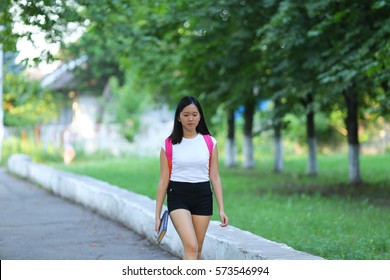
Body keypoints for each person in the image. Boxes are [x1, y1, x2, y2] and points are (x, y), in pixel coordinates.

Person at [155, 96, 228, 260]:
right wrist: (157, 214)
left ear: (200, 116)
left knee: (198, 250)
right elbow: (163, 181)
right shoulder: (168, 144)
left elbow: (215, 177)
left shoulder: (210, 142)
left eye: (194, 114)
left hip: (203, 196)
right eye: (186, 114)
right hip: (178, 196)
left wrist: (221, 208)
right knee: (191, 246)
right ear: (179, 117)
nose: (190, 118)